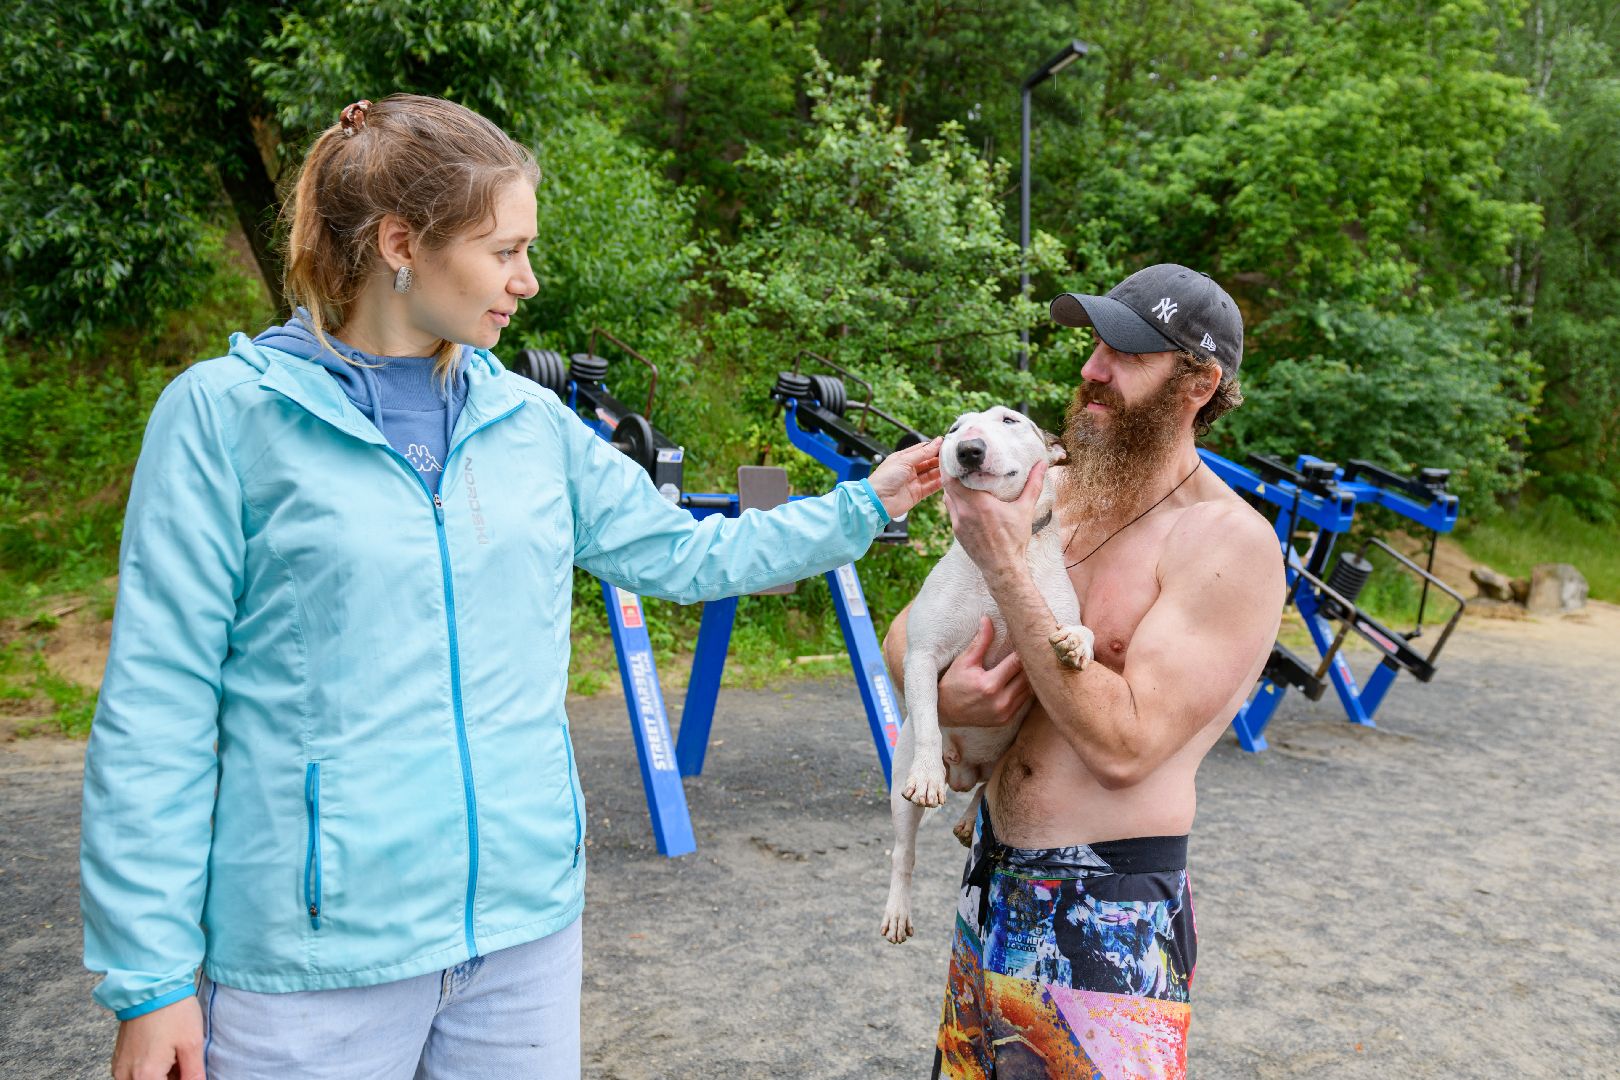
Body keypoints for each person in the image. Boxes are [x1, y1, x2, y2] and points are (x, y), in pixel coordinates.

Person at [80, 94, 943, 1080]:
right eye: (504, 251)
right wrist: (150, 981)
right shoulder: (224, 421)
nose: (527, 282)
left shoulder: (527, 425)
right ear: (402, 243)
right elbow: (158, 712)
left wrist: (865, 502)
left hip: (522, 940)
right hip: (313, 966)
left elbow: (689, 556)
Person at [881, 264, 1284, 1078]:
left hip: (1108, 917)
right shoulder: (1050, 485)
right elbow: (909, 631)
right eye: (1095, 345)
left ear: (1199, 383)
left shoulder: (1225, 544)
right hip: (991, 884)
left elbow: (1123, 745)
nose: (1092, 370)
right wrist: (945, 690)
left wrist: (1006, 572)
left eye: (1127, 355)